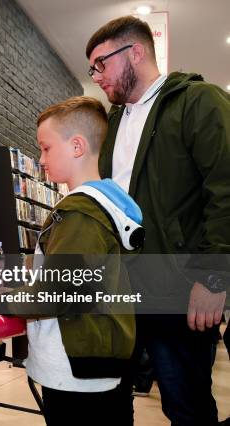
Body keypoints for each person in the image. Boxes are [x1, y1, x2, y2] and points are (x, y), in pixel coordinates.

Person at [86, 16, 230, 425]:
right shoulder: (114, 122)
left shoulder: (198, 101)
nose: (96, 76)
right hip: (121, 290)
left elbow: (226, 189)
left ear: (136, 52)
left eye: (101, 64)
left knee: (187, 406)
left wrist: (214, 277)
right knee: (112, 402)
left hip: (180, 291)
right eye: (91, 68)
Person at [0, 96, 138, 425]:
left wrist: (0, 300)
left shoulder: (80, 212)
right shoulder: (107, 204)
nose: (41, 158)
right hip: (95, 361)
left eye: (46, 148)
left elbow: (58, 289)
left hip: (75, 369)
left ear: (77, 146)